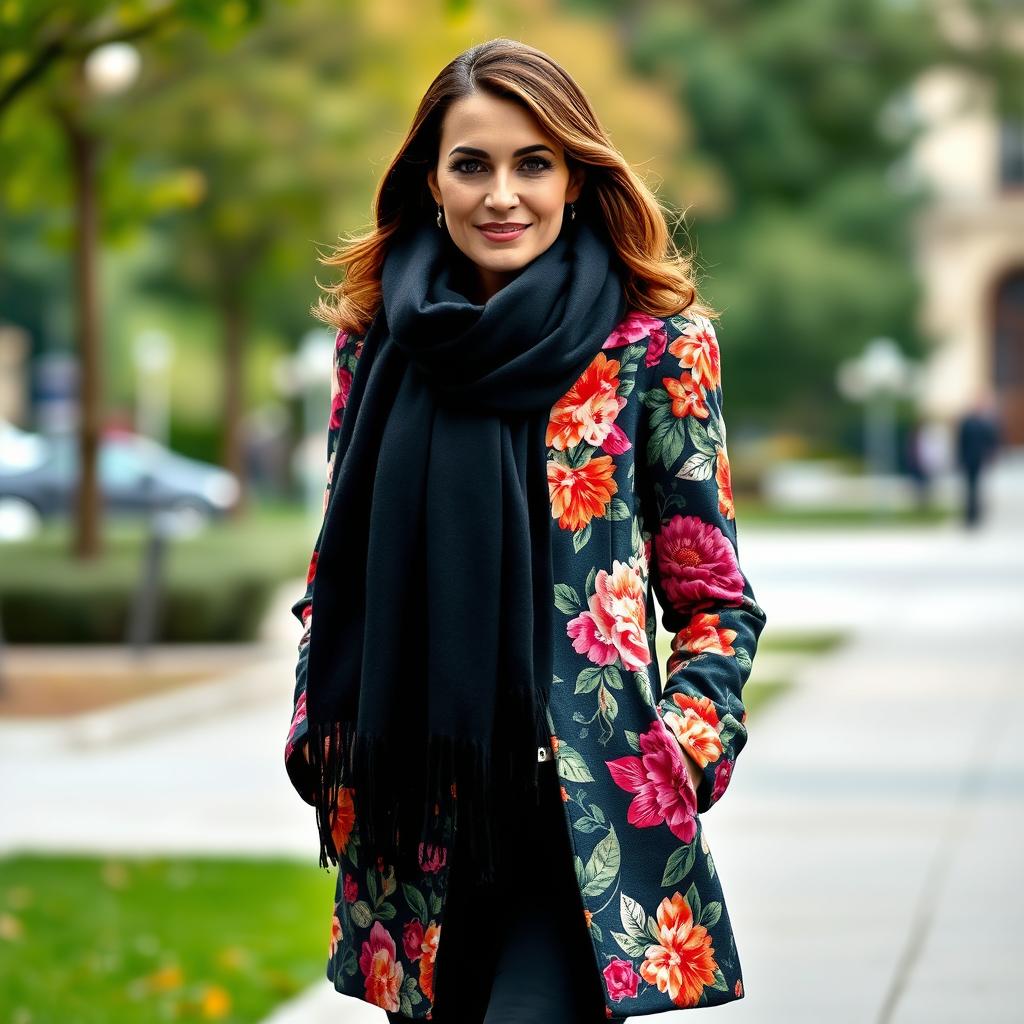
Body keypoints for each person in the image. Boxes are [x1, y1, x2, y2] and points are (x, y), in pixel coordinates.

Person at [283, 38, 767, 1022]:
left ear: (576, 179)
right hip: (418, 812)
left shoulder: (656, 347)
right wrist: (315, 720)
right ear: (430, 181)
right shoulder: (375, 344)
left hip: (583, 814)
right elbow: (340, 568)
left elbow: (713, 594)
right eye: (472, 164)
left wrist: (681, 747)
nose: (502, 194)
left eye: (531, 163)